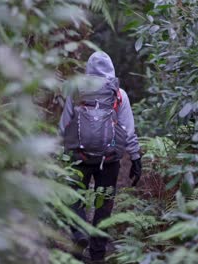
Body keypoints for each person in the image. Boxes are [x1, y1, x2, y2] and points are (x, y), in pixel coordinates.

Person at [59, 51, 142, 262]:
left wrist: (62, 153)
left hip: (79, 155)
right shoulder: (119, 94)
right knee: (103, 203)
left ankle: (78, 235)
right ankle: (97, 255)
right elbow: (128, 130)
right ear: (111, 69)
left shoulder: (77, 90)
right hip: (110, 158)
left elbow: (64, 126)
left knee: (75, 196)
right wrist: (135, 157)